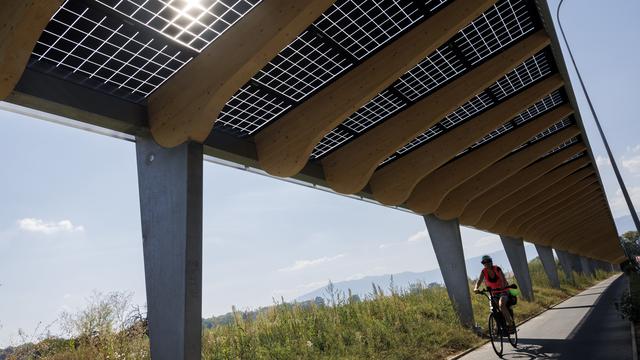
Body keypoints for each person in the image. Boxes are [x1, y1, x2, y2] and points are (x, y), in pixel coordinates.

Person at [473, 255, 515, 331]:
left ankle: (510, 324)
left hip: (503, 291)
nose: (486, 263)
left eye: (488, 261)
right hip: (493, 293)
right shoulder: (483, 271)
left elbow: (503, 279)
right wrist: (476, 288)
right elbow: (479, 280)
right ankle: (497, 326)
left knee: (501, 305)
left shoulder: (497, 269)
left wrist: (502, 286)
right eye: (484, 262)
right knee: (493, 309)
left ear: (491, 262)